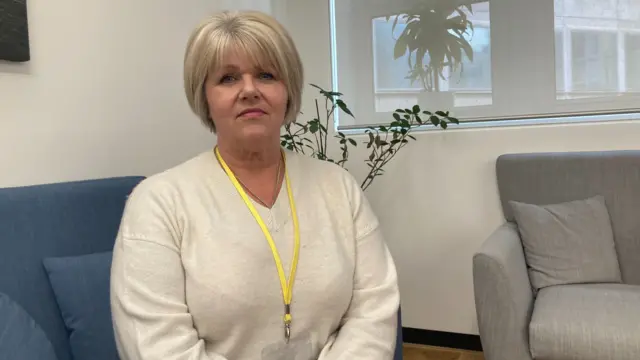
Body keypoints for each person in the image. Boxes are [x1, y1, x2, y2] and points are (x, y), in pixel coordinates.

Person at [109, 9, 400, 360]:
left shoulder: (339, 187)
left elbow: (375, 308)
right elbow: (155, 347)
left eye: (266, 75)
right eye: (228, 79)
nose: (249, 90)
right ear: (205, 97)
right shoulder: (158, 203)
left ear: (287, 91)